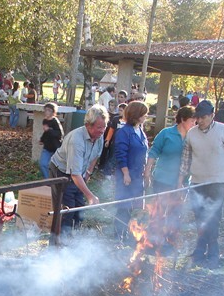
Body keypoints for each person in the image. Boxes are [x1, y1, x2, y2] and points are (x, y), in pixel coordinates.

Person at [178, 100, 224, 268]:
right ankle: (200, 250)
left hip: (217, 182)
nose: (200, 121)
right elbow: (186, 159)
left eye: (204, 117)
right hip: (197, 182)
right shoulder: (191, 133)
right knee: (200, 217)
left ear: (212, 115)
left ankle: (213, 252)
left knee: (213, 218)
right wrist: (180, 181)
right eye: (198, 117)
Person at [49, 104, 108, 236]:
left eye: (104, 126)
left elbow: (95, 155)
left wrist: (88, 173)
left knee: (79, 208)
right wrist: (91, 196)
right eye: (99, 127)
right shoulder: (76, 140)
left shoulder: (99, 135)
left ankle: (74, 242)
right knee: (66, 210)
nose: (102, 130)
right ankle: (57, 245)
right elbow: (74, 174)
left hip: (79, 172)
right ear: (88, 125)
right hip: (61, 171)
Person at [143, 106, 196, 250]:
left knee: (176, 212)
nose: (194, 124)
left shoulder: (193, 137)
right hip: (162, 179)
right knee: (158, 211)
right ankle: (152, 241)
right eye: (192, 121)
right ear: (183, 119)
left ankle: (169, 243)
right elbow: (153, 152)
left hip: (182, 182)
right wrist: (147, 172)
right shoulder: (166, 133)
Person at [113, 101, 149, 242]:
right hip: (126, 176)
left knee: (136, 208)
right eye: (144, 114)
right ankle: (118, 236)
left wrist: (146, 173)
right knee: (124, 207)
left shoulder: (140, 131)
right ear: (137, 115)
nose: (146, 116)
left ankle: (131, 235)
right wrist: (126, 174)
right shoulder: (124, 132)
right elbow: (121, 154)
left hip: (138, 176)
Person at [39, 102, 63, 179]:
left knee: (55, 167)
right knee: (43, 164)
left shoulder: (55, 121)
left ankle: (55, 181)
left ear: (53, 112)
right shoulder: (45, 121)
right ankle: (48, 180)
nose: (47, 112)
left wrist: (49, 130)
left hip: (55, 147)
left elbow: (59, 134)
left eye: (49, 110)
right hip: (47, 147)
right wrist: (42, 139)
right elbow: (46, 133)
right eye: (46, 110)